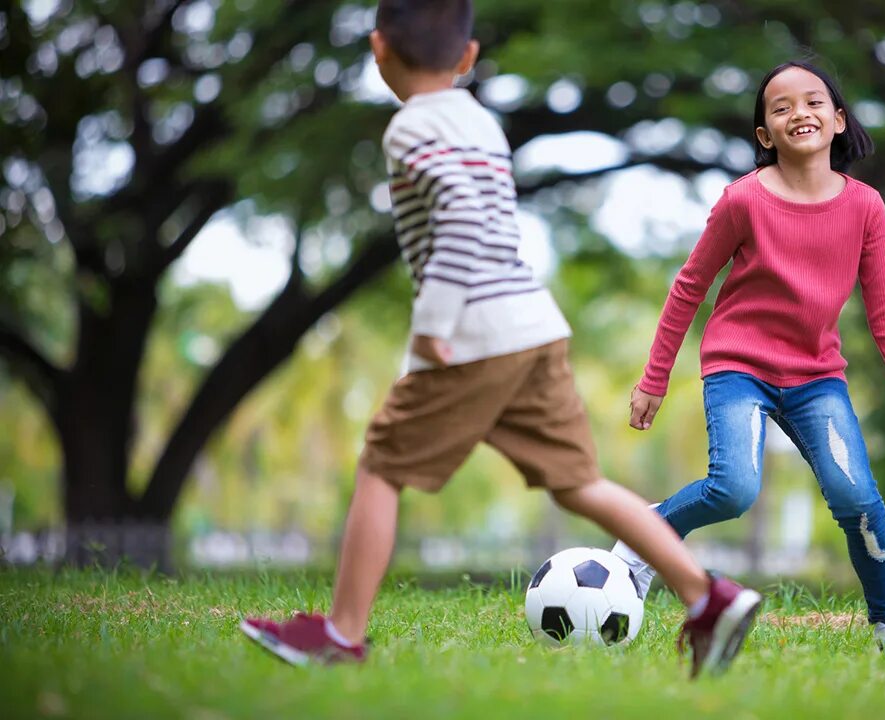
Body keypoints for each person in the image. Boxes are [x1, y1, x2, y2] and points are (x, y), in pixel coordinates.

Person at [239, 0, 761, 677]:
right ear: (468, 58)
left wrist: (433, 328)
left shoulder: (409, 128)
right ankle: (707, 597)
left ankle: (341, 634)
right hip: (534, 325)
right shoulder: (482, 122)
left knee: (383, 465)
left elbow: (456, 215)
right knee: (578, 483)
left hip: (474, 333)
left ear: (378, 49)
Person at [614, 60, 885, 654]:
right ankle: (646, 536)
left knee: (857, 498)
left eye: (812, 102)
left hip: (816, 378)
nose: (797, 112)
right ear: (764, 135)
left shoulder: (866, 208)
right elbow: (689, 287)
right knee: (734, 489)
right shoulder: (743, 201)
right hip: (738, 367)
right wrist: (654, 379)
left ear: (837, 120)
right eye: (780, 108)